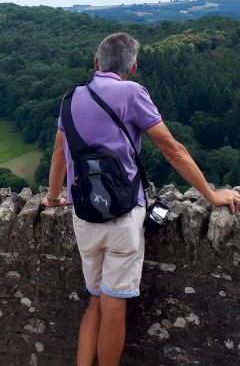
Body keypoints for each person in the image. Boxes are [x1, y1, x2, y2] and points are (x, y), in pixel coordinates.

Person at [40, 32, 240, 366]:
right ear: (133, 67)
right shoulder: (132, 93)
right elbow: (173, 150)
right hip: (122, 216)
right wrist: (211, 194)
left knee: (95, 299)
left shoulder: (70, 97)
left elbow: (59, 153)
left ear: (96, 63)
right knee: (114, 303)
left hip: (84, 214)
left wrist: (52, 197)